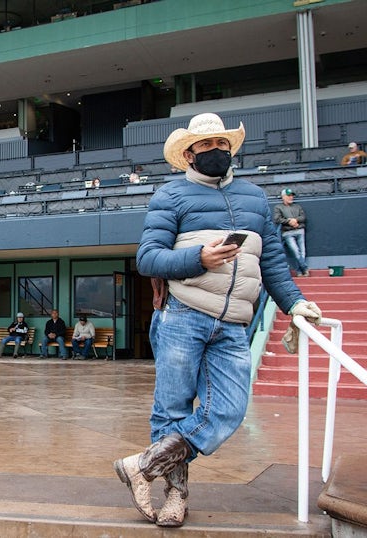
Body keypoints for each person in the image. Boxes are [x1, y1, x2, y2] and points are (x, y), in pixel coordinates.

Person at [113, 112, 323, 528]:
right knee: (171, 410)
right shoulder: (171, 196)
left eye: (222, 144)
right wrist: (199, 258)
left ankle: (142, 466)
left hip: (233, 324)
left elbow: (273, 262)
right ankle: (176, 496)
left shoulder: (255, 198)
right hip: (182, 315)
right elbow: (148, 258)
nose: (216, 151)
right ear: (189, 154)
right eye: (206, 145)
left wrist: (295, 303)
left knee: (229, 409)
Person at [273, 188, 309, 277]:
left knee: (302, 252)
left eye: (292, 195)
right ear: (283, 197)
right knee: (296, 251)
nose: (291, 197)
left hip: (299, 230)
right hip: (287, 232)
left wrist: (295, 220)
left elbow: (303, 217)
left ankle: (299, 271)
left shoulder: (297, 206)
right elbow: (277, 219)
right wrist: (289, 221)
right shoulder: (278, 207)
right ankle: (304, 268)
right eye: (288, 196)